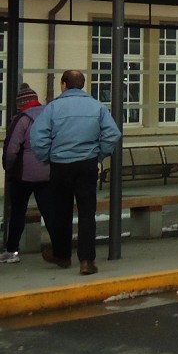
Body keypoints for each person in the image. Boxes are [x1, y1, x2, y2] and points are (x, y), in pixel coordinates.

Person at [30, 69, 122, 275]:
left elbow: (37, 137)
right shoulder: (96, 106)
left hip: (60, 165)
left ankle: (62, 255)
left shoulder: (53, 108)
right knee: (87, 213)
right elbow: (112, 134)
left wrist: (48, 157)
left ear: (63, 84)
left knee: (61, 212)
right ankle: (86, 260)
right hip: (87, 164)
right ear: (82, 84)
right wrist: (98, 155)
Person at [1, 83, 55, 264]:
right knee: (49, 211)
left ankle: (12, 250)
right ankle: (59, 247)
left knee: (17, 211)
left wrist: (8, 168)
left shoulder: (22, 119)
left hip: (23, 175)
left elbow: (11, 150)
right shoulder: (49, 115)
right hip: (47, 172)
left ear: (20, 104)